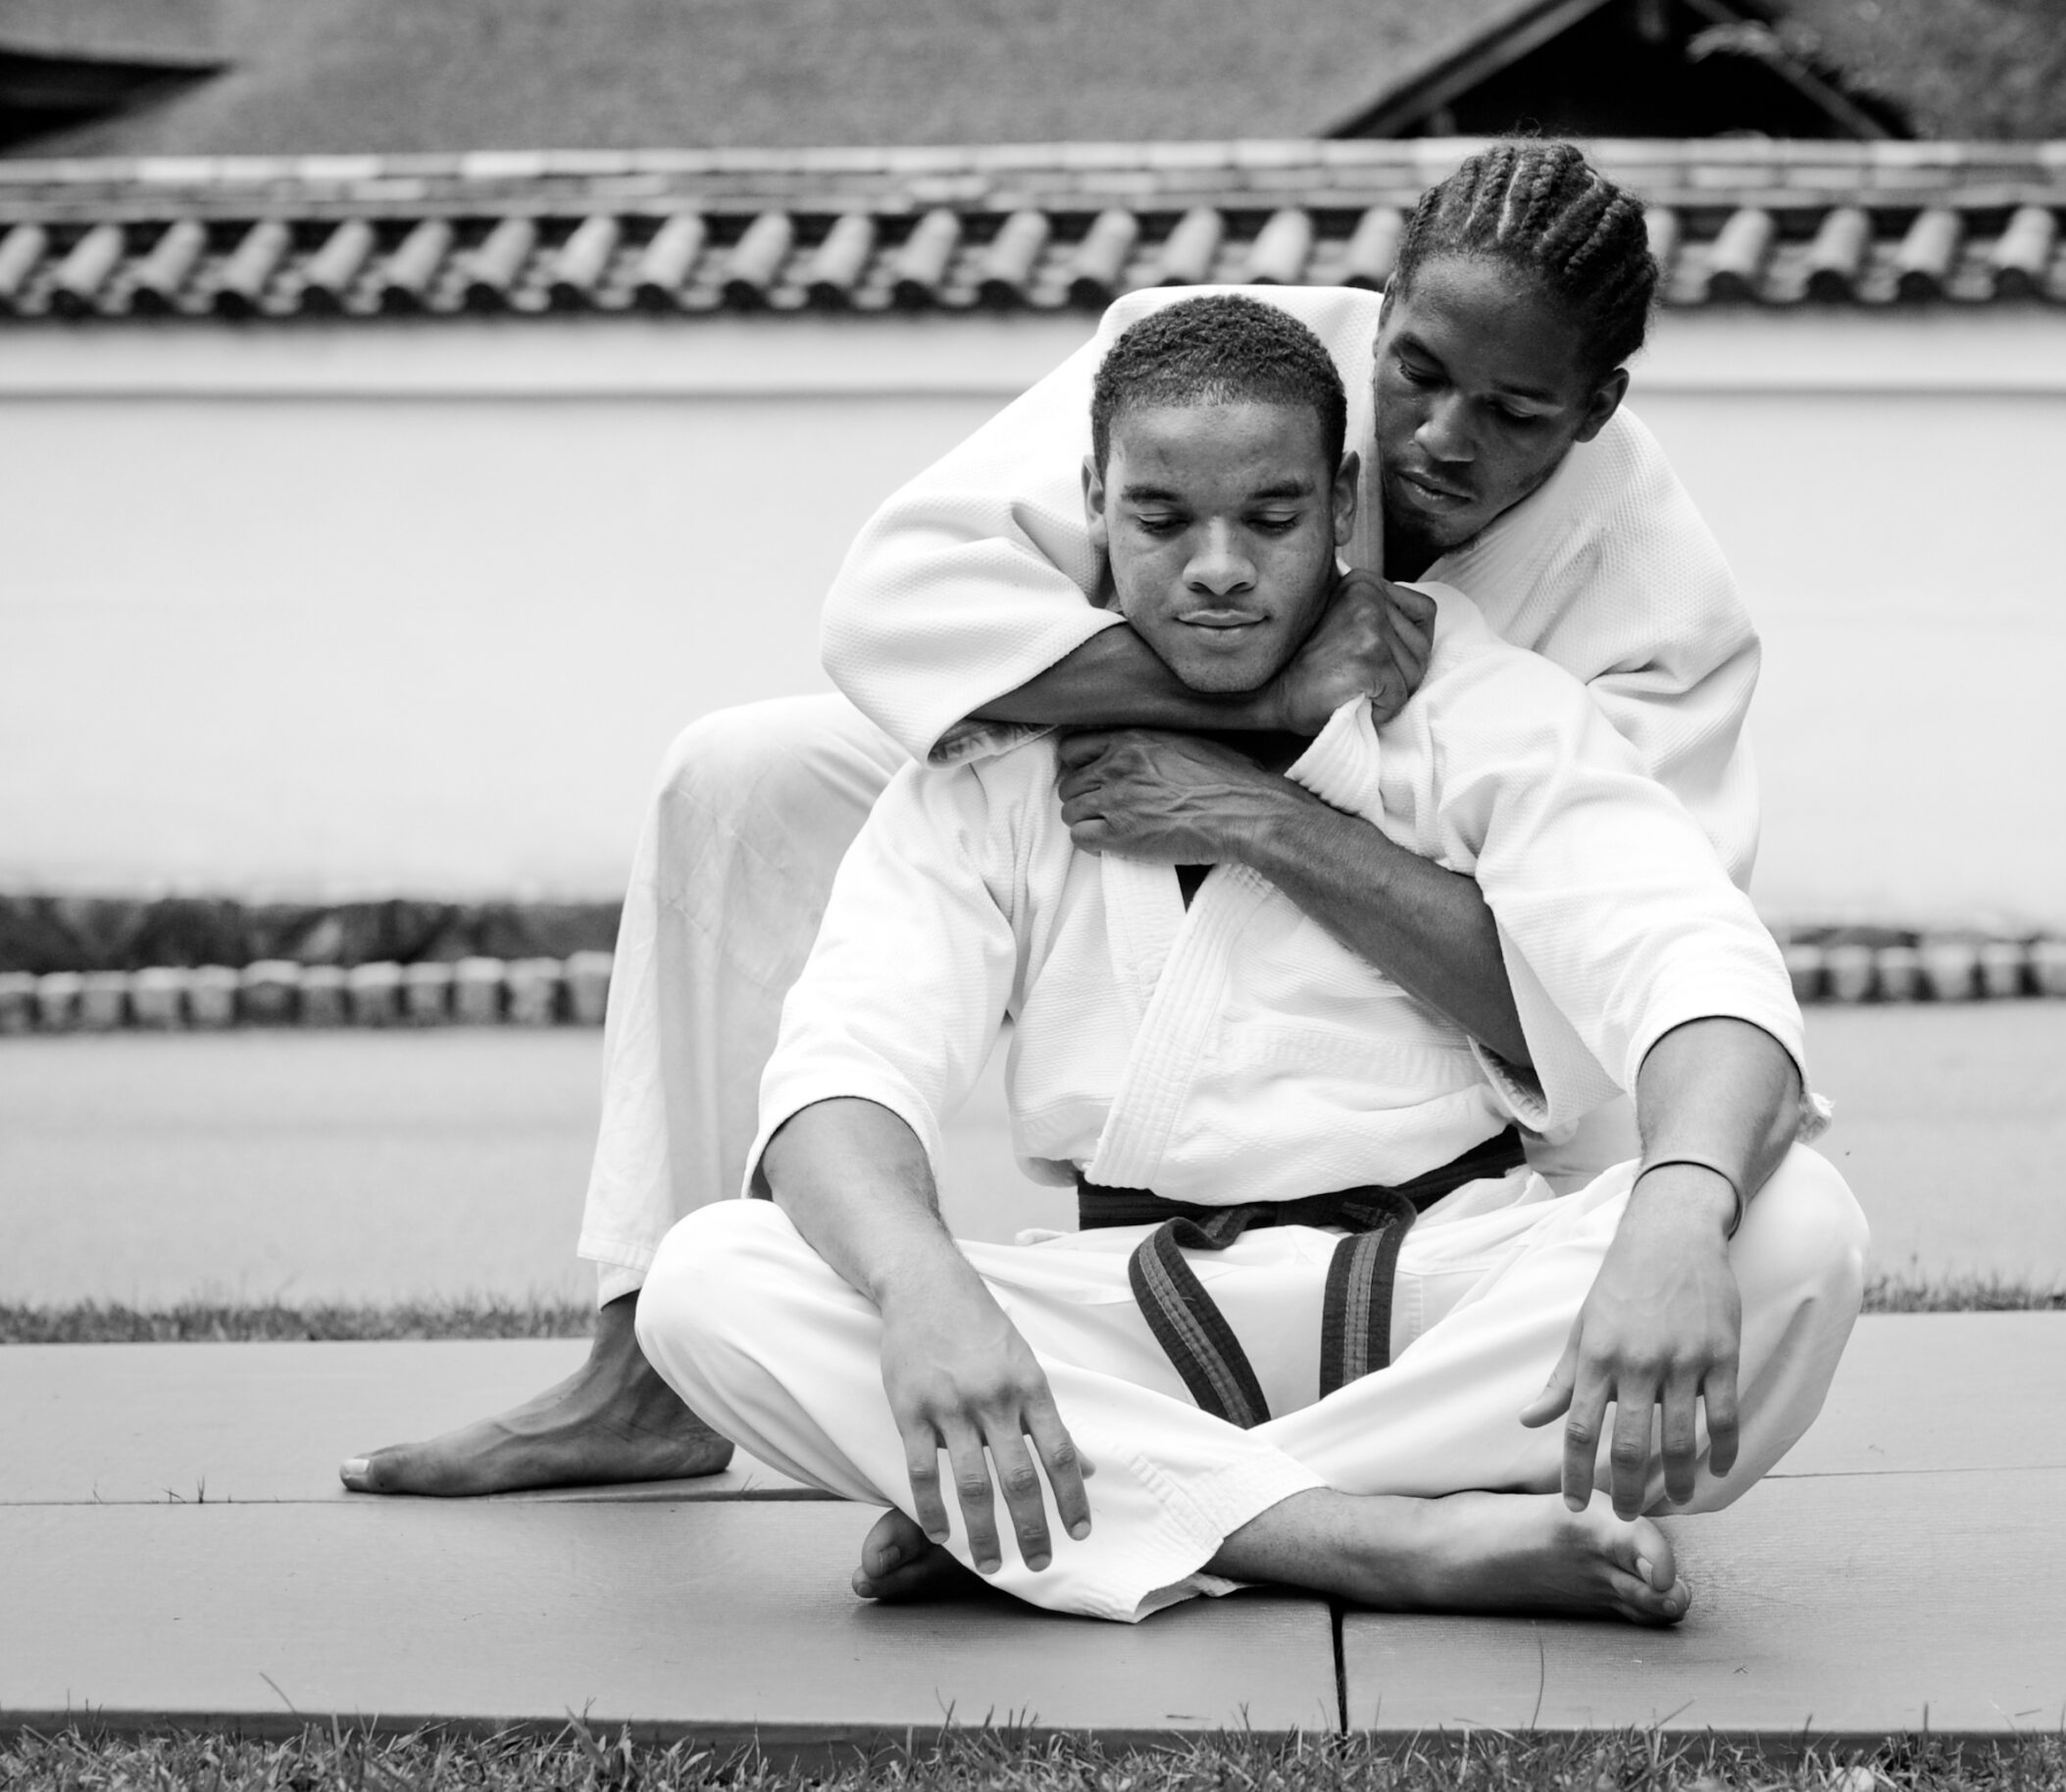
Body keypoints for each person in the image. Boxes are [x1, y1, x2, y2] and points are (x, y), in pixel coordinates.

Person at [342, 140, 1777, 1500]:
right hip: (1103, 812)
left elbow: (1593, 1015)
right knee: (742, 778)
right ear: (1381, 311)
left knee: (1723, 1205)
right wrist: (1255, 710)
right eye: (1414, 374)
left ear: (1596, 408)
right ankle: (645, 1373)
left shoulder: (1659, 608)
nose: (1440, 436)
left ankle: (1295, 1463)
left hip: (1445, 1054)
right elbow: (892, 609)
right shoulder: (1216, 369)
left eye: (1516, 415)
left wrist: (1262, 804)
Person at [633, 293, 1865, 1624]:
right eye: (1163, 521)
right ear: (1095, 500)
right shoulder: (991, 775)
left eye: (1270, 520)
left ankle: (1127, 1513)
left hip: (1445, 1297)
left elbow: (1690, 960)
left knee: (1795, 1227)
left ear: (1342, 507)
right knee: (712, 1281)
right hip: (1128, 1318)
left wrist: (1682, 1211)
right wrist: (924, 1286)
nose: (1218, 567)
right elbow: (841, 1078)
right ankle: (1381, 1537)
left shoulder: (1481, 709)